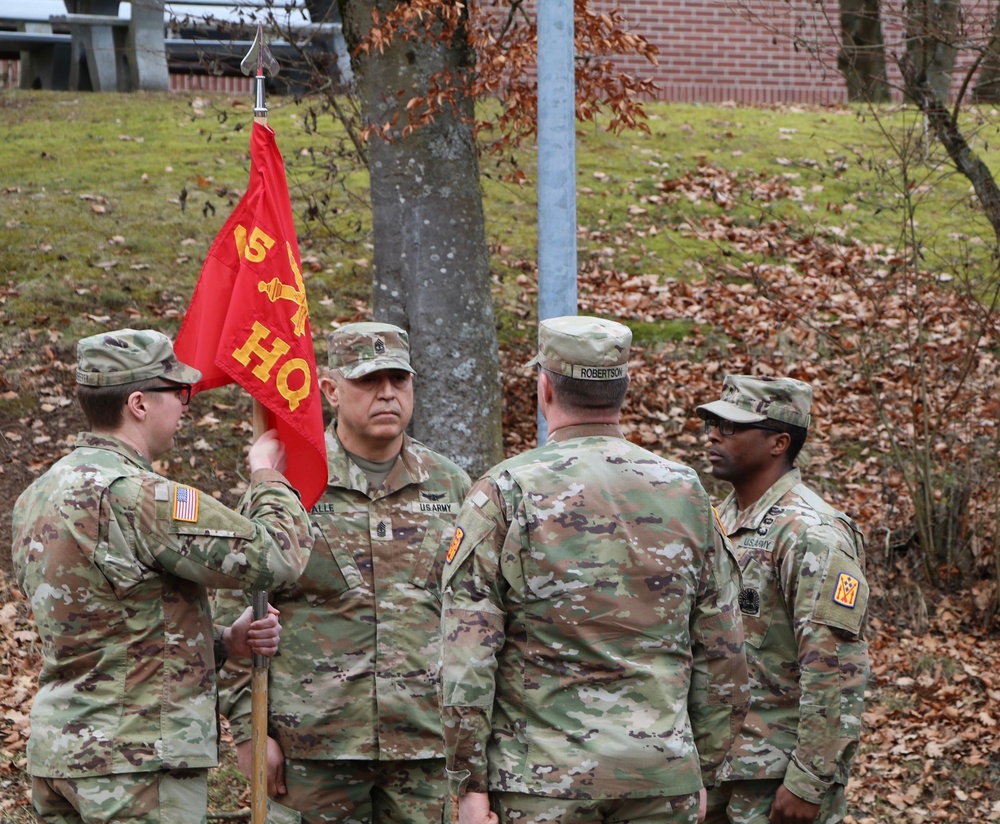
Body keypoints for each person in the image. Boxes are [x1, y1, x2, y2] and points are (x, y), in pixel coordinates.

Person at [441, 315, 749, 824]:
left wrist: (468, 780)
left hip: (540, 782)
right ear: (623, 390)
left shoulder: (504, 491)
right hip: (659, 776)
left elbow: (467, 655)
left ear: (544, 388)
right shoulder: (686, 490)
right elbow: (724, 650)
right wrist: (703, 770)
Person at [10, 328, 314, 824]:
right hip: (135, 763)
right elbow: (276, 556)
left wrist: (222, 642)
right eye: (178, 392)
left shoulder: (37, 495)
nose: (186, 406)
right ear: (138, 403)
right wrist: (267, 476)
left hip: (61, 753)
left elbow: (101, 623)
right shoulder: (142, 497)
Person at [215, 321, 472, 823]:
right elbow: (236, 614)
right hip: (312, 748)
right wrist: (249, 731)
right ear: (330, 389)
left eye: (399, 381)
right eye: (368, 381)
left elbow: (477, 614)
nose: (387, 395)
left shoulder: (452, 487)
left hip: (426, 747)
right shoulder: (287, 487)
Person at [696, 375, 870, 824]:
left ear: (779, 442)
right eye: (713, 423)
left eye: (732, 427)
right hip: (712, 769)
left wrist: (809, 782)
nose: (713, 434)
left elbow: (834, 670)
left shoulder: (811, 535)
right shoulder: (717, 521)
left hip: (775, 778)